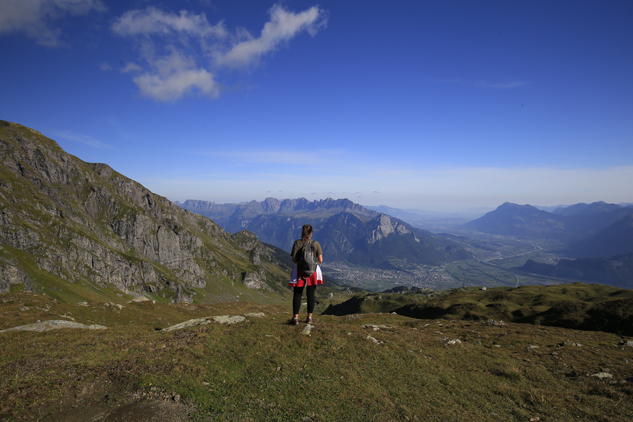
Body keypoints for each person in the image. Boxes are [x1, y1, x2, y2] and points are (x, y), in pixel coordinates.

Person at [289, 224, 323, 325]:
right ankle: (309, 318)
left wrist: (302, 261)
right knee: (311, 294)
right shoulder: (315, 244)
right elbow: (320, 260)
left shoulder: (297, 243)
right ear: (311, 233)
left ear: (302, 232)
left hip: (300, 271)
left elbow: (294, 259)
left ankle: (295, 318)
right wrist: (312, 263)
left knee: (297, 294)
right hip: (312, 272)